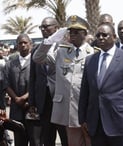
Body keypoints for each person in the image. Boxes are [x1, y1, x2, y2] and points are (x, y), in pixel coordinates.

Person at [78, 23, 123, 146]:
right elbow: (85, 92)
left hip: (120, 123)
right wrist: (82, 119)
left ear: (114, 37)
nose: (101, 38)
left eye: (105, 35)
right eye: (98, 35)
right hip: (96, 123)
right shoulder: (90, 60)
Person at [33, 15, 94, 146]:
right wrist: (49, 41)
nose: (72, 34)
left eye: (76, 32)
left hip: (88, 111)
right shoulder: (62, 52)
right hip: (69, 111)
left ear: (84, 33)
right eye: (70, 31)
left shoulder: (93, 53)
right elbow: (38, 58)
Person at [28, 17, 68, 146]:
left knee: (64, 136)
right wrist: (32, 102)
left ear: (56, 28)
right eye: (41, 27)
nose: (43, 29)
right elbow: (33, 77)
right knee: (47, 137)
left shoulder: (65, 48)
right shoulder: (36, 50)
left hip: (60, 99)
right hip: (43, 100)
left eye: (46, 26)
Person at [4, 33, 32, 146]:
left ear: (31, 44)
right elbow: (6, 84)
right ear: (17, 45)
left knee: (36, 140)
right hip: (16, 109)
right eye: (20, 43)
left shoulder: (36, 62)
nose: (23, 45)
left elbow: (38, 85)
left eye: (25, 43)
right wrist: (16, 99)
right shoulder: (10, 63)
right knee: (20, 141)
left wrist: (25, 98)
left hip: (32, 108)